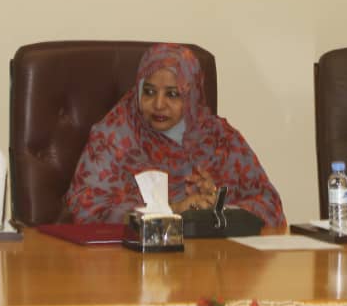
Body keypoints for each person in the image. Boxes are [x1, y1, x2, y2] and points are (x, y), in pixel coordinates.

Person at [65, 43, 286, 226]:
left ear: (191, 97)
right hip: (131, 260)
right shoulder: (114, 138)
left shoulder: (221, 140)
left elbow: (270, 207)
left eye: (172, 94)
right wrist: (171, 211)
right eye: (149, 92)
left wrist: (217, 208)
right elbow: (85, 211)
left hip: (210, 260)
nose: (158, 104)